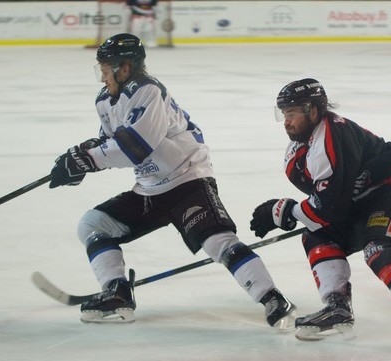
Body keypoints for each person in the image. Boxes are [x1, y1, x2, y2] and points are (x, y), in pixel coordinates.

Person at [48, 33, 296, 327]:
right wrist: (79, 161)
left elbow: (137, 146)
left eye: (105, 70)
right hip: (149, 189)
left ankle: (272, 299)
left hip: (186, 180)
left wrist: (88, 159)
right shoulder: (104, 101)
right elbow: (110, 142)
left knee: (217, 242)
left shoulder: (148, 91)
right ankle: (117, 293)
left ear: (124, 68)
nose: (102, 78)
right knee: (93, 224)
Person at [249, 78, 391, 348]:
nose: (286, 122)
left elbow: (328, 207)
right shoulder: (301, 151)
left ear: (313, 110)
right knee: (317, 236)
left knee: (380, 248)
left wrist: (287, 211)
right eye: (284, 114)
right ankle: (337, 307)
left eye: (292, 113)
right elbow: (329, 205)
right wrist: (292, 212)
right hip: (368, 198)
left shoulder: (330, 137)